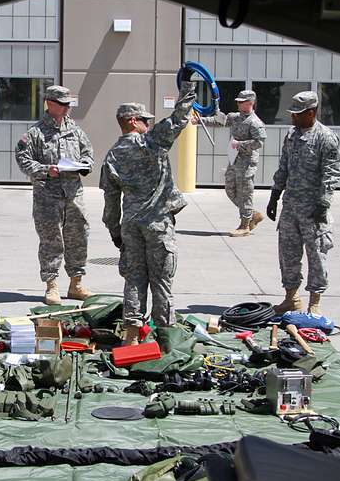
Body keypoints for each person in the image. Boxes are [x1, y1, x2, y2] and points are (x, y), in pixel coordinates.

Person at [99, 83, 198, 345]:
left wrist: (115, 232)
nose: (147, 124)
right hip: (157, 225)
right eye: (143, 120)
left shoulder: (112, 155)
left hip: (130, 227)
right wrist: (188, 89)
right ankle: (166, 339)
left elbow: (110, 201)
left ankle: (131, 338)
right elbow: (179, 119)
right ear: (132, 121)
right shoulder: (150, 142)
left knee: (134, 280)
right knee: (161, 282)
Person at [14, 85, 95, 305]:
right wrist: (45, 169)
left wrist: (85, 165)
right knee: (51, 240)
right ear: (50, 104)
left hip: (73, 194)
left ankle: (76, 284)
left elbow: (88, 154)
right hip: (47, 196)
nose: (68, 108)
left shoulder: (75, 130)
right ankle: (52, 286)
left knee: (78, 237)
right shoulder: (35, 133)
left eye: (69, 104)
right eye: (64, 104)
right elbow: (23, 159)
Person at [266, 90, 340, 316]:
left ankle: (315, 302)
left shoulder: (325, 138)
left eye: (298, 114)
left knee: (316, 255)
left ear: (311, 113)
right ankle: (291, 298)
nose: (293, 118)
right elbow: (284, 167)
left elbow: (331, 173)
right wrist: (274, 194)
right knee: (288, 254)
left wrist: (324, 203)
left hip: (313, 210)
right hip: (290, 207)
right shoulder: (291, 135)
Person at [194, 89, 267, 236]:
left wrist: (240, 144)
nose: (238, 104)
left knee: (245, 192)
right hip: (234, 159)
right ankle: (252, 214)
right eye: (238, 102)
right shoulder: (236, 117)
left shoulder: (255, 122)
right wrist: (200, 121)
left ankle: (244, 225)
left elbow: (260, 142)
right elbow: (221, 121)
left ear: (250, 103)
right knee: (230, 189)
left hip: (247, 162)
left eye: (242, 102)